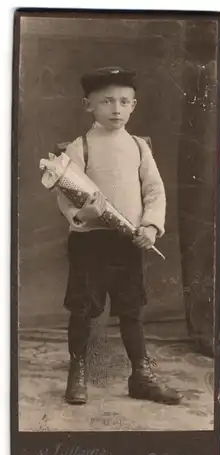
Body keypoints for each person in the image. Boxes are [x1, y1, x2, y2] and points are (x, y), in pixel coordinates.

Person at [57, 66, 181, 406]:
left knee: (131, 310)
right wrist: (84, 214)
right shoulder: (79, 147)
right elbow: (66, 195)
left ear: (134, 105)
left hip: (128, 243)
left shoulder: (140, 147)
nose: (116, 109)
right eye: (107, 101)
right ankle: (77, 370)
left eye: (124, 102)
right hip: (90, 243)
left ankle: (141, 375)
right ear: (88, 105)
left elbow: (154, 192)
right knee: (83, 308)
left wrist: (151, 226)